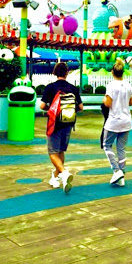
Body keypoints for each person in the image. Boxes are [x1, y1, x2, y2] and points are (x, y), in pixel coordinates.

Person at [40, 62, 83, 193]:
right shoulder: (73, 88)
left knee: (53, 152)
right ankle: (55, 178)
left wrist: (52, 109)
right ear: (67, 73)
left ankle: (63, 173)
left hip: (54, 124)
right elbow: (81, 107)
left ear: (54, 72)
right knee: (61, 151)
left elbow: (42, 106)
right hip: (68, 123)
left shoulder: (50, 87)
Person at [102, 58, 132, 187]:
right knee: (121, 148)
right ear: (123, 72)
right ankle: (121, 176)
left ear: (112, 72)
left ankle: (116, 170)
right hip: (126, 121)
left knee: (107, 145)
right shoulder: (128, 85)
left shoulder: (111, 86)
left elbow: (108, 103)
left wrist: (104, 99)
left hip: (114, 121)